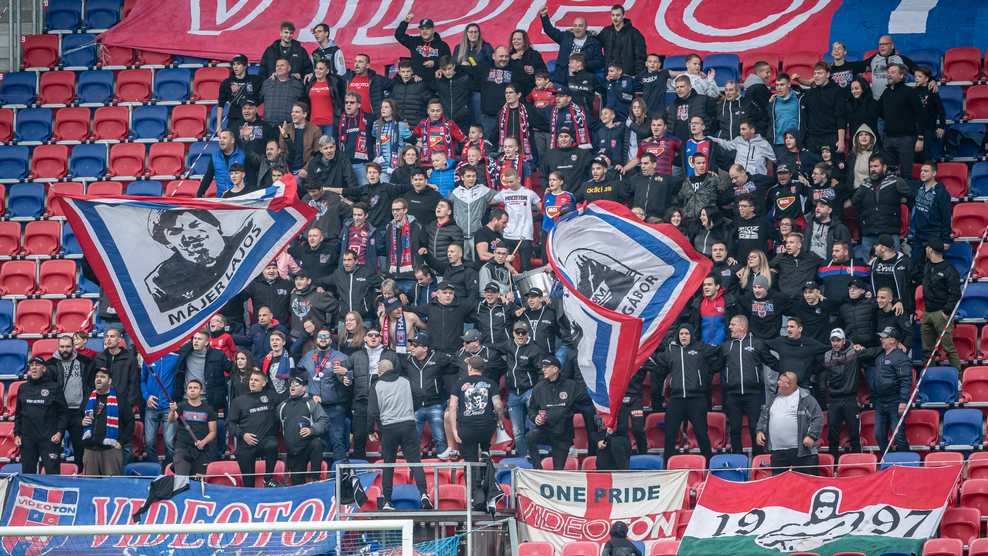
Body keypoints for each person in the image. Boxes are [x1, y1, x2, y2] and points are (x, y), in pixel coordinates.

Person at [368, 359, 432, 509]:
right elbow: (421, 393)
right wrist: (413, 408)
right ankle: (424, 493)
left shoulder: (376, 385)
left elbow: (371, 412)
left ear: (379, 371)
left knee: (388, 464)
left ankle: (387, 501)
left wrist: (370, 430)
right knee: (415, 462)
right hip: (408, 425)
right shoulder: (405, 381)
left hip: (388, 428)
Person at [654, 323, 719, 461]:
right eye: (681, 334)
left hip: (697, 399)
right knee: (670, 434)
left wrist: (708, 369)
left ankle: (708, 465)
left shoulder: (700, 347)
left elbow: (721, 351)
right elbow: (655, 358)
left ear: (692, 335)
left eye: (687, 333)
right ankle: (669, 466)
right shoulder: (671, 350)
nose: (684, 336)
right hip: (676, 399)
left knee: (701, 434)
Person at [340, 325, 402, 459]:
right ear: (365, 338)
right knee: (359, 437)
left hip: (384, 402)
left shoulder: (391, 355)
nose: (373, 337)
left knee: (387, 437)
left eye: (376, 335)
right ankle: (360, 468)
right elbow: (340, 369)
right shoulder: (356, 355)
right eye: (370, 335)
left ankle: (388, 467)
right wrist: (343, 378)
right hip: (362, 400)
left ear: (380, 338)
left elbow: (399, 376)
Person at [721, 316, 778, 456]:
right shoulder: (726, 346)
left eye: (732, 324)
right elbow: (716, 366)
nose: (729, 327)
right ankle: (737, 459)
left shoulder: (757, 343)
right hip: (732, 394)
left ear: (742, 326)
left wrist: (790, 368)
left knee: (755, 428)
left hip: (753, 393)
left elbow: (772, 362)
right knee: (735, 429)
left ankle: (758, 459)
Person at [526, 356, 590, 469]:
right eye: (542, 367)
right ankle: (537, 469)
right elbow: (531, 409)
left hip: (563, 436)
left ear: (555, 369)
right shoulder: (539, 387)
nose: (543, 369)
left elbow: (588, 399)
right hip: (545, 431)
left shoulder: (571, 386)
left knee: (558, 470)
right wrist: (535, 417)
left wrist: (573, 408)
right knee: (530, 436)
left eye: (546, 367)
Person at [755, 371, 824, 476]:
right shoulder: (773, 400)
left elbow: (818, 418)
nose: (777, 382)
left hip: (802, 453)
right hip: (778, 453)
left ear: (788, 383)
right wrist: (759, 431)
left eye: (780, 380)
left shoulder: (806, 399)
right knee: (780, 484)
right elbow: (763, 417)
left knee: (806, 484)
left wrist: (811, 436)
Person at [299, 327, 350, 463]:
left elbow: (353, 373)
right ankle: (318, 473)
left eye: (326, 336)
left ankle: (338, 474)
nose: (323, 338)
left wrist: (346, 371)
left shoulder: (341, 357)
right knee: (315, 442)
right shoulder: (308, 356)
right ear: (316, 340)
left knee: (337, 440)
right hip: (315, 406)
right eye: (320, 336)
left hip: (335, 406)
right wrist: (308, 391)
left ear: (331, 341)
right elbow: (298, 376)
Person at [860, 327, 913, 453]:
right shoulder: (880, 356)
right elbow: (862, 356)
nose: (881, 339)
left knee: (899, 436)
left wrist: (903, 401)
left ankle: (906, 461)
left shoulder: (901, 358)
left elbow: (906, 380)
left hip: (895, 401)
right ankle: (889, 459)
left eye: (884, 337)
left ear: (893, 340)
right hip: (880, 401)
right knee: (879, 435)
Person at [403, 335, 456, 459]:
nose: (412, 348)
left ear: (425, 348)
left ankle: (443, 468)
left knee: (440, 438)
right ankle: (413, 467)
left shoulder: (437, 358)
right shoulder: (407, 359)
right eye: (411, 345)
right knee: (414, 440)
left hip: (434, 405)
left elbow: (455, 364)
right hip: (415, 407)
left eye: (415, 345)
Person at [44, 335, 93, 469]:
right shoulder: (50, 365)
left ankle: (81, 476)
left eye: (68, 346)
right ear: (58, 347)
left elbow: (91, 383)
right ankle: (53, 476)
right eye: (62, 347)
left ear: (73, 347)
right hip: (57, 412)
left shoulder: (85, 362)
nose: (65, 349)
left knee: (80, 448)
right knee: (53, 448)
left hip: (78, 411)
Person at [227, 369, 282, 487]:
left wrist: (313, 396)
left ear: (263, 383)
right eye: (251, 379)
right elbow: (229, 423)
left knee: (272, 444)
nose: (252, 382)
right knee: (249, 485)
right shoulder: (239, 401)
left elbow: (289, 394)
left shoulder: (271, 397)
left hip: (263, 442)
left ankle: (268, 479)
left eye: (256, 380)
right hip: (245, 446)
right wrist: (243, 435)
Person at [851, 154, 915, 254]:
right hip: (869, 233)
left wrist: (907, 211)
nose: (873, 169)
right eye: (871, 166)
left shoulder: (896, 182)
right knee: (869, 263)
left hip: (890, 232)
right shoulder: (864, 184)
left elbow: (912, 197)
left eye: (876, 166)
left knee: (892, 262)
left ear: (884, 167)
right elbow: (854, 201)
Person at [450, 356, 503, 473]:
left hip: (466, 428)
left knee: (470, 464)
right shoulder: (491, 383)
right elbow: (498, 405)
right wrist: (499, 420)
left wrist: (454, 430)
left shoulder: (459, 384)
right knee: (485, 445)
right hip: (486, 428)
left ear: (469, 367)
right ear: (482, 368)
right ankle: (485, 452)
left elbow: (452, 407)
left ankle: (474, 482)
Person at [15, 357, 68, 475]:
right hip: (28, 440)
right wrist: (17, 435)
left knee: (53, 474)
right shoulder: (22, 388)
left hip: (49, 440)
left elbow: (64, 413)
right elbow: (18, 414)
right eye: (32, 365)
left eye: (37, 365)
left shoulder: (54, 387)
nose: (34, 367)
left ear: (44, 369)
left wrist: (59, 433)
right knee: (28, 475)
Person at [81, 366, 134, 477]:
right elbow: (76, 418)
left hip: (111, 451)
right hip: (90, 451)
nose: (98, 379)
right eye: (97, 377)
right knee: (90, 486)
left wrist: (121, 442)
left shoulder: (120, 399)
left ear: (109, 381)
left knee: (112, 485)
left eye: (102, 377)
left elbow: (130, 423)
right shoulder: (87, 398)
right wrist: (81, 422)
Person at [277, 376, 329, 485]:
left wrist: (311, 430)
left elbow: (324, 421)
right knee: (297, 485)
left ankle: (314, 478)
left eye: (296, 384)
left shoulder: (312, 402)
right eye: (291, 384)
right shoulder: (282, 406)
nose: (292, 386)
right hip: (294, 452)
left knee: (317, 444)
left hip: (308, 446)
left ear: (304, 388)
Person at [879, 64, 925, 179]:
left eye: (893, 72)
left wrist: (920, 138)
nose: (889, 75)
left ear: (901, 76)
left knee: (906, 174)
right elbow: (879, 111)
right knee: (889, 176)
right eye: (888, 72)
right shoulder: (886, 92)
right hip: (888, 139)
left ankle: (909, 192)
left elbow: (921, 116)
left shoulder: (909, 92)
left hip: (906, 139)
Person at [173, 327, 233, 416]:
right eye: (195, 338)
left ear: (206, 342)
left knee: (210, 425)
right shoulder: (184, 353)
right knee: (186, 425)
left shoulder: (218, 355)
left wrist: (248, 369)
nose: (196, 341)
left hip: (209, 400)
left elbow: (233, 369)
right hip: (187, 399)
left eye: (199, 339)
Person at [922, 238, 962, 370]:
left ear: (930, 249)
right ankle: (929, 376)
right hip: (927, 312)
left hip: (941, 313)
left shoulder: (949, 270)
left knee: (948, 348)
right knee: (927, 350)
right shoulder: (928, 266)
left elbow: (955, 294)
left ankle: (958, 378)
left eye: (927, 247)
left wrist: (946, 312)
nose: (925, 249)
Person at [538, 5, 604, 86]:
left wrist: (582, 64)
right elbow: (549, 30)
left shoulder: (594, 42)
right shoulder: (566, 37)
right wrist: (544, 15)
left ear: (586, 27)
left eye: (580, 26)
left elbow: (600, 63)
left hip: (584, 83)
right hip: (563, 80)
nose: (577, 28)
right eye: (575, 25)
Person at [823, 328, 863, 457]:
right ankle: (833, 464)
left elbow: (871, 354)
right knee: (832, 437)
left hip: (850, 398)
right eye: (833, 340)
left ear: (844, 340)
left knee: (854, 435)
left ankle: (857, 463)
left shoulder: (854, 352)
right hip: (834, 400)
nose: (835, 343)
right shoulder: (827, 355)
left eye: (838, 340)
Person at [491, 169, 541, 271]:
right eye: (507, 182)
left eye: (511, 181)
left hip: (525, 235)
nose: (509, 184)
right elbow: (487, 202)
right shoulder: (504, 193)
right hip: (508, 234)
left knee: (525, 267)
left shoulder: (529, 193)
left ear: (518, 179)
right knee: (506, 266)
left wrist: (533, 219)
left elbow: (544, 208)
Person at [168, 379, 217, 476]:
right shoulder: (180, 407)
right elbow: (171, 420)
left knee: (198, 481)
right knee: (182, 478)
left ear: (201, 391)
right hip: (182, 449)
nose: (192, 390)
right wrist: (173, 411)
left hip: (201, 451)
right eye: (190, 388)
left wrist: (203, 442)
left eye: (195, 388)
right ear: (187, 391)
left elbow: (213, 432)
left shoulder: (209, 409)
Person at [798, 62, 847, 154]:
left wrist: (841, 140)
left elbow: (841, 117)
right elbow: (804, 119)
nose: (816, 76)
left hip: (831, 136)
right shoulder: (809, 94)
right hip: (812, 139)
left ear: (827, 75)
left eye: (819, 73)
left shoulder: (837, 92)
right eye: (815, 73)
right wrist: (803, 143)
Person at [910, 161, 952, 266]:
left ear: (934, 173)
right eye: (921, 171)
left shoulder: (942, 193)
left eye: (926, 171)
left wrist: (946, 239)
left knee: (935, 265)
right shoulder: (918, 185)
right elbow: (903, 182)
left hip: (934, 234)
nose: (922, 173)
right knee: (915, 266)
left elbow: (946, 217)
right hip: (918, 234)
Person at [140, 351, 177, 468]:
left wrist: (176, 400)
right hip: (151, 406)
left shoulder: (175, 358)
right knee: (149, 442)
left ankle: (169, 470)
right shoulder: (148, 358)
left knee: (169, 443)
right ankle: (155, 469)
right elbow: (143, 380)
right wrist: (147, 397)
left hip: (168, 407)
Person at [394, 15, 450, 85]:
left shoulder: (442, 45)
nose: (424, 31)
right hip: (417, 84)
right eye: (422, 29)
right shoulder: (414, 42)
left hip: (436, 84)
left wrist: (435, 63)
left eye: (427, 28)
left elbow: (448, 63)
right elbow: (399, 35)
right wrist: (405, 22)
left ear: (433, 30)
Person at [596, 4, 647, 77]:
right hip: (609, 76)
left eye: (618, 15)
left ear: (623, 15)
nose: (615, 18)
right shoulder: (606, 31)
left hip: (627, 75)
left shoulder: (634, 33)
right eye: (613, 15)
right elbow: (594, 44)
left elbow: (640, 57)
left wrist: (637, 76)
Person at [338, 92, 377, 185]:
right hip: (345, 165)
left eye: (352, 102)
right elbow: (335, 142)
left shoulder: (370, 118)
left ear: (359, 104)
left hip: (363, 164)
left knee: (365, 191)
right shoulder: (338, 120)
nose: (348, 104)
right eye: (346, 102)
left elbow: (376, 137)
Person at [218, 54, 264, 131]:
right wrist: (218, 126)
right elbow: (220, 104)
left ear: (245, 66)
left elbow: (268, 83)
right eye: (234, 64)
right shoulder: (226, 82)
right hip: (233, 120)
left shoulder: (255, 80)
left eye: (238, 64)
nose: (235, 67)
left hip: (251, 120)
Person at [372, 99, 414, 181]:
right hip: (381, 167)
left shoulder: (401, 125)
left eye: (386, 107)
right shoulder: (376, 124)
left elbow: (414, 141)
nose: (383, 109)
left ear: (392, 110)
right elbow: (373, 138)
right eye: (382, 107)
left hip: (397, 166)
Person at [667, 76, 715, 146]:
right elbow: (670, 125)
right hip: (677, 145)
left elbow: (716, 121)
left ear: (690, 87)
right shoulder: (673, 104)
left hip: (698, 145)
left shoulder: (703, 100)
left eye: (682, 86)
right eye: (677, 87)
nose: (679, 89)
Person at [197, 129, 246, 198]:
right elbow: (208, 177)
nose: (221, 140)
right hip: (221, 198)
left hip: (239, 199)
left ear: (232, 140)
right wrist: (199, 195)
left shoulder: (243, 155)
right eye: (220, 138)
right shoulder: (214, 156)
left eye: (224, 138)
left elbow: (251, 179)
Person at [279, 102, 322, 177]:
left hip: (304, 170)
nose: (293, 114)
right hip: (287, 170)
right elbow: (282, 152)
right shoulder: (286, 129)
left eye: (297, 112)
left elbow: (317, 154)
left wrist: (306, 169)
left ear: (304, 114)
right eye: (292, 111)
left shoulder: (315, 130)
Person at [259, 59, 305, 129]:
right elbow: (258, 100)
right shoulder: (267, 83)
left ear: (289, 68)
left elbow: (303, 105)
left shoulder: (298, 85)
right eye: (277, 66)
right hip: (268, 126)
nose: (279, 67)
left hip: (289, 126)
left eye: (282, 65)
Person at [673, 153, 720, 220]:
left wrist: (714, 204)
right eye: (698, 163)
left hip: (708, 219)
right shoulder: (687, 182)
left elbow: (724, 194)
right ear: (693, 165)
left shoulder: (713, 179)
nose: (701, 165)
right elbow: (679, 198)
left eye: (703, 163)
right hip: (690, 220)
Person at [388, 60, 432, 130]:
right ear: (399, 72)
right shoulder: (395, 86)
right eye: (403, 72)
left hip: (416, 128)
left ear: (412, 71)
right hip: (398, 127)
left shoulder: (420, 86)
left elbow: (432, 103)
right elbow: (389, 105)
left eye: (408, 71)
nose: (406, 74)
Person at [343, 53, 390, 118]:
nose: (357, 64)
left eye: (360, 62)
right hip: (351, 119)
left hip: (372, 119)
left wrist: (387, 102)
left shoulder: (377, 79)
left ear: (367, 65)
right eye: (355, 61)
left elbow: (395, 87)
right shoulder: (346, 78)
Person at [768, 73, 804, 155]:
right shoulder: (773, 101)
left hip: (796, 144)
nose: (779, 88)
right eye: (777, 85)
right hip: (778, 144)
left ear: (789, 84)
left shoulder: (800, 99)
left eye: (782, 85)